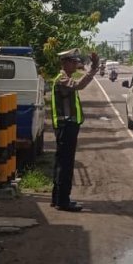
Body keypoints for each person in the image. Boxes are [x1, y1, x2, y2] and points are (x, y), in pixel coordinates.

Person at [51, 48, 99, 212]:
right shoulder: (63, 79)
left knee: (61, 163)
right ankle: (63, 201)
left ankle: (57, 198)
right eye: (73, 62)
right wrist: (93, 70)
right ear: (65, 63)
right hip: (66, 127)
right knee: (66, 165)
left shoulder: (64, 78)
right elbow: (79, 85)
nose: (76, 64)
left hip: (67, 126)